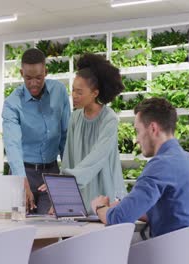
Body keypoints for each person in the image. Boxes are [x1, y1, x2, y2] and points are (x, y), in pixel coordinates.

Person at [91, 97, 189, 238]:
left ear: (153, 129)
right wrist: (131, 208)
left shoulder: (160, 165)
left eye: (138, 131)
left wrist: (100, 207)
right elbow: (178, 214)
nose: (136, 139)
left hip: (164, 255)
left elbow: (118, 218)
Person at [55, 53, 127, 214]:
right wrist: (61, 195)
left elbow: (98, 157)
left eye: (79, 92)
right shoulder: (74, 117)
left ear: (95, 93)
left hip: (106, 192)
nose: (74, 96)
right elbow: (69, 159)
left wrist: (68, 180)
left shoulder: (109, 118)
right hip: (81, 195)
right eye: (73, 90)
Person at [2, 48, 71, 214]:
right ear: (21, 73)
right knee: (20, 228)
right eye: (28, 78)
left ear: (46, 72)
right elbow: (12, 145)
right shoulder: (12, 103)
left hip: (51, 172)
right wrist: (21, 181)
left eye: (39, 77)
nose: (33, 83)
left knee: (50, 226)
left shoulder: (59, 92)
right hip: (23, 171)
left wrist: (66, 173)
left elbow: (65, 136)